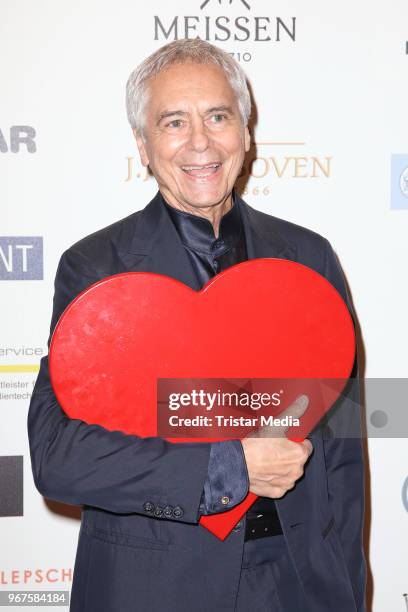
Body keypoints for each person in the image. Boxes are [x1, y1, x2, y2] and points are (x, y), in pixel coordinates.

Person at [27, 38, 366, 611]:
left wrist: (347, 589)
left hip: (297, 584)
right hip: (152, 587)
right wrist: (228, 465)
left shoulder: (309, 259)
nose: (200, 142)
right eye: (173, 122)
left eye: (217, 116)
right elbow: (59, 455)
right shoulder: (97, 269)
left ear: (246, 130)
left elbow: (343, 452)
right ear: (143, 144)